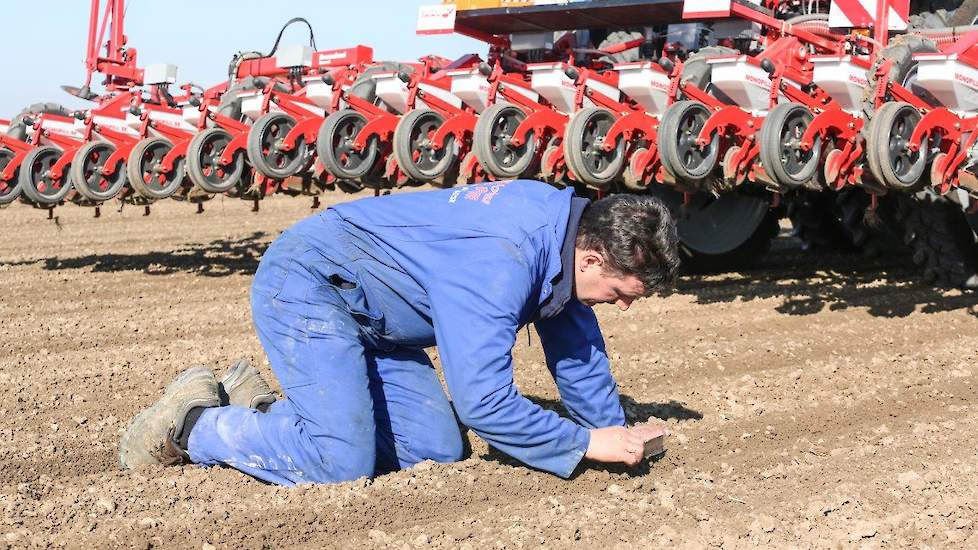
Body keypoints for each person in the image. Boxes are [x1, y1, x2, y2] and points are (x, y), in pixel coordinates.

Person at [119, 179, 680, 486]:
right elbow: (482, 401)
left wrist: (614, 432)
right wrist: (585, 442)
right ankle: (193, 423)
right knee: (339, 464)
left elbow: (575, 346)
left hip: (377, 321)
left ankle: (263, 408)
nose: (621, 308)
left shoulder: (566, 232)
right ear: (593, 256)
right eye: (620, 295)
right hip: (311, 285)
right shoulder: (503, 256)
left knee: (434, 450)